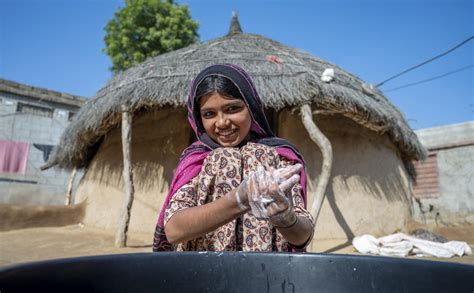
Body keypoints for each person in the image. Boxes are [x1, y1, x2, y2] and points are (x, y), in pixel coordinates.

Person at [153, 64, 314, 252]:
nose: (222, 122)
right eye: (209, 114)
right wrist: (239, 199)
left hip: (268, 275)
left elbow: (303, 235)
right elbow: (173, 230)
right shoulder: (196, 161)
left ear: (251, 107)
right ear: (199, 117)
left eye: (232, 108)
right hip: (205, 274)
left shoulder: (279, 158)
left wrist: (286, 218)